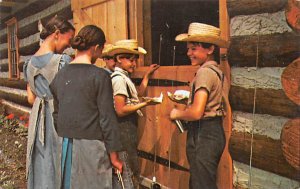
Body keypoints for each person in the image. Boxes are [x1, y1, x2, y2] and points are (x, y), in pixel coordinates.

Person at [49, 25, 123, 189]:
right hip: (91, 150)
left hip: (64, 147)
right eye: (102, 50)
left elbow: (56, 115)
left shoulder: (60, 75)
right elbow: (107, 119)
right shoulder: (100, 76)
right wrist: (114, 156)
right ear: (96, 47)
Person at [169, 22, 228, 189]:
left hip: (204, 134)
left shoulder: (204, 72)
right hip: (213, 131)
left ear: (210, 49)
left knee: (201, 185)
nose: (189, 53)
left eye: (194, 48)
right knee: (202, 182)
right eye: (188, 49)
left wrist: (176, 114)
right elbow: (211, 101)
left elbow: (196, 113)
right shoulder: (216, 71)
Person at [23, 15, 75, 189]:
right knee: (61, 162)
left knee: (42, 164)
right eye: (69, 40)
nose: (69, 45)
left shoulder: (28, 64)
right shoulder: (62, 62)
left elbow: (31, 98)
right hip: (58, 117)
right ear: (57, 34)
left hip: (38, 122)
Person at [110, 39, 160, 189]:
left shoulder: (125, 77)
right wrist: (146, 104)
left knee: (131, 165)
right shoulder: (118, 79)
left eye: (135, 61)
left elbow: (135, 96)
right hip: (122, 128)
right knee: (128, 169)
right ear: (119, 59)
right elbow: (120, 110)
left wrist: (147, 76)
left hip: (128, 128)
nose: (134, 64)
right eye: (131, 60)